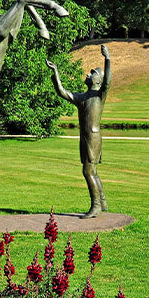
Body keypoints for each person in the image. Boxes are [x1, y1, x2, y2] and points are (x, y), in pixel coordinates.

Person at [46, 45, 111, 218]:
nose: (88, 74)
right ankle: (102, 202)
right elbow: (62, 92)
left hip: (93, 139)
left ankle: (96, 206)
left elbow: (108, 82)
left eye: (92, 73)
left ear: (98, 81)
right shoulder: (82, 98)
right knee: (92, 171)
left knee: (88, 172)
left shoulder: (99, 96)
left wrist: (107, 59)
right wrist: (56, 72)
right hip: (85, 139)